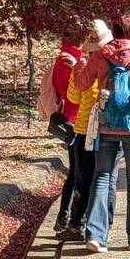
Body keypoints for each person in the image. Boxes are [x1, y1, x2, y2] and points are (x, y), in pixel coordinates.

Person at [74, 13, 130, 252]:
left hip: (106, 123)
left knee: (102, 176)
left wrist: (82, 65)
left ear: (115, 32)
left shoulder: (100, 55)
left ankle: (96, 236)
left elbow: (81, 84)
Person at [65, 19, 116, 237]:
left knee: (83, 178)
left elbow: (72, 97)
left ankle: (78, 222)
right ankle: (106, 223)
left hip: (85, 127)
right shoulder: (115, 63)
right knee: (107, 177)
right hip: (109, 126)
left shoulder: (83, 64)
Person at [51, 36, 84, 232]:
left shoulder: (59, 58)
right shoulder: (77, 58)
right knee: (81, 172)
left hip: (67, 117)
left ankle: (63, 216)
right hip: (80, 119)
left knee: (74, 171)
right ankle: (71, 218)